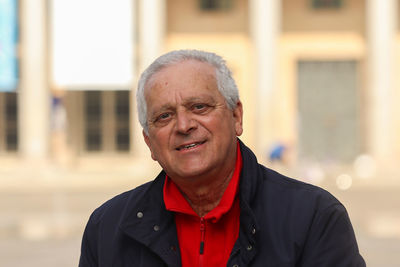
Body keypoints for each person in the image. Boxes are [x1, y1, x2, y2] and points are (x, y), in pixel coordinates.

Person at [79, 50, 365, 267]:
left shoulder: (314, 217)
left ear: (236, 117)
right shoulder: (107, 228)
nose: (183, 125)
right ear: (149, 142)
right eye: (164, 116)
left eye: (199, 107)